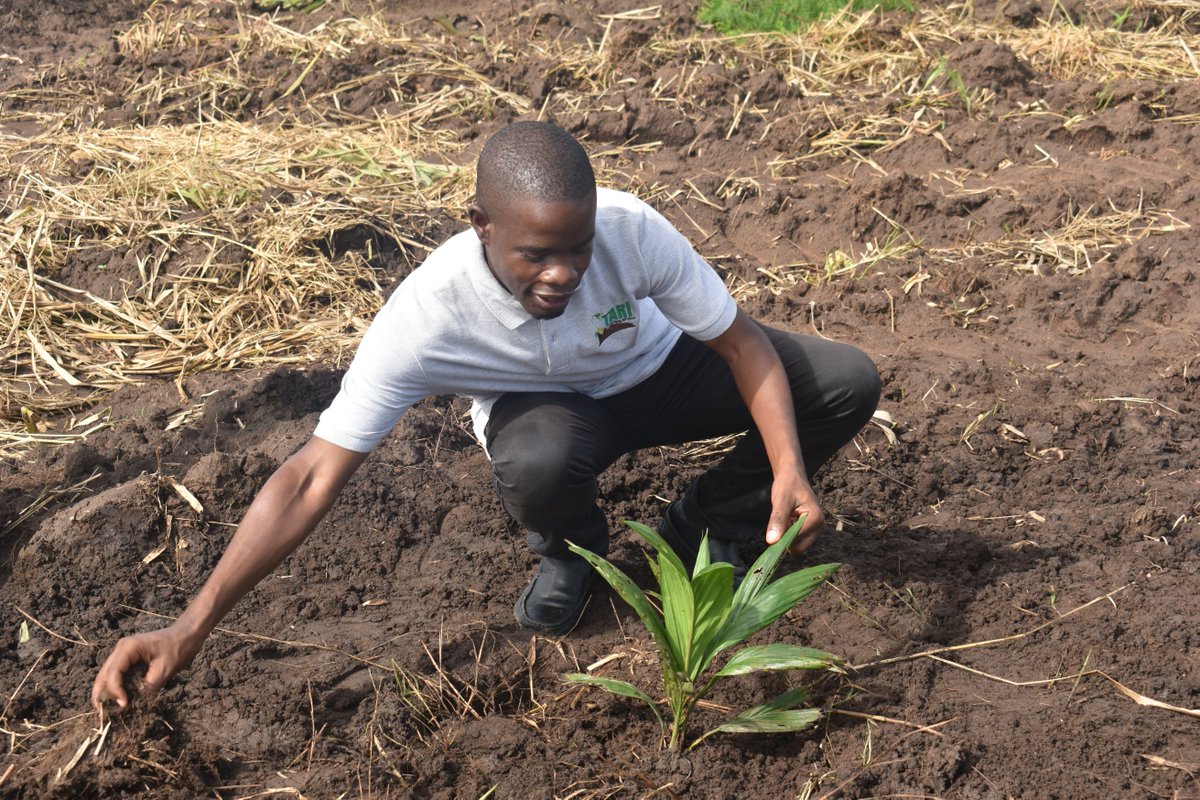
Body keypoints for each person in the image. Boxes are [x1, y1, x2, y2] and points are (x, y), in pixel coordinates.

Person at [92, 121, 880, 710]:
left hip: (658, 369)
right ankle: (572, 554)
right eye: (536, 253)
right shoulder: (429, 316)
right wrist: (189, 627)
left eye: (577, 244)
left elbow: (744, 348)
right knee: (537, 464)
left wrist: (787, 471)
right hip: (552, 413)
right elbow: (309, 477)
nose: (564, 271)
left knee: (844, 380)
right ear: (481, 226)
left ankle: (705, 521)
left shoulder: (634, 232)